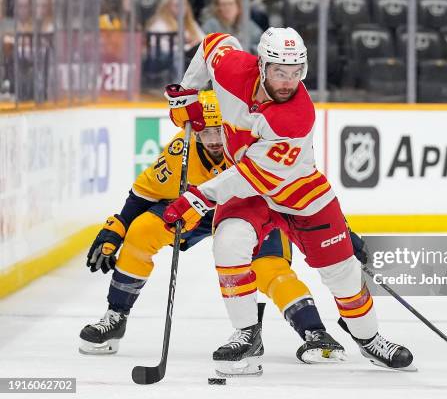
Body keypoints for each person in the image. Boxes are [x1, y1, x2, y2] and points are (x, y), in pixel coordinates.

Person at [162, 28, 414, 377]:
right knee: (229, 242)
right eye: (280, 72)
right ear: (262, 66)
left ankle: (369, 339)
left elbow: (253, 176)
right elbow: (213, 43)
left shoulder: (296, 115)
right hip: (251, 192)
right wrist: (189, 92)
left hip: (301, 194)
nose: (288, 81)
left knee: (343, 274)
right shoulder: (234, 68)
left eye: (296, 73)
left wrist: (198, 197)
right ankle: (247, 334)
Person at [79, 90, 346, 364]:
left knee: (270, 269)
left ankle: (315, 332)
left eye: (220, 130)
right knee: (142, 230)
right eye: (206, 131)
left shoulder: (254, 145)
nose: (215, 140)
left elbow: (299, 187)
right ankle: (115, 317)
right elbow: (144, 194)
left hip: (254, 210)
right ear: (194, 131)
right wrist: (119, 226)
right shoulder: (179, 152)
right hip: (195, 209)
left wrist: (336, 227)